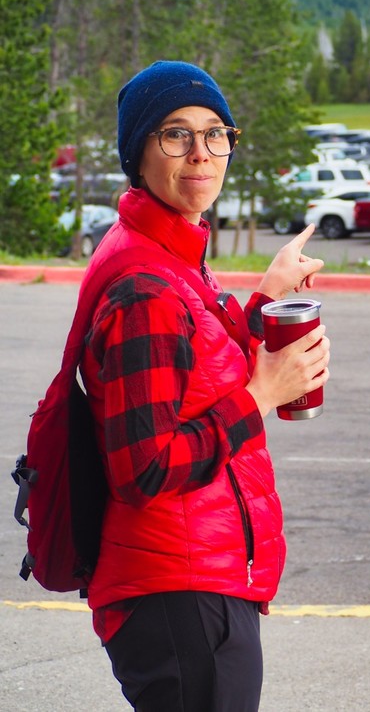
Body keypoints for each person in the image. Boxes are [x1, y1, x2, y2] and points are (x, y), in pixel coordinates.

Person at [77, 60, 331, 711]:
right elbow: (144, 469)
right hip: (178, 588)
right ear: (138, 154)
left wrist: (266, 298)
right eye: (175, 134)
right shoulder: (145, 288)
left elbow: (195, 368)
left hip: (193, 575)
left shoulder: (167, 252)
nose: (201, 153)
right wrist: (262, 396)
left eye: (216, 133)